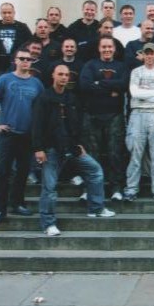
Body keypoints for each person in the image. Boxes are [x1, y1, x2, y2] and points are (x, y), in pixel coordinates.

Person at [33, 65, 116, 236]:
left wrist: (79, 144)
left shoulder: (71, 98)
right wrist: (38, 148)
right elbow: (36, 125)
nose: (64, 77)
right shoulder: (44, 97)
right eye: (60, 74)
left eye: (66, 75)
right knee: (49, 187)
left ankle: (96, 208)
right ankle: (48, 224)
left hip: (71, 147)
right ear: (53, 75)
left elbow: (76, 124)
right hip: (51, 149)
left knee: (95, 170)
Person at [0, 47, 45, 227]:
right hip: (8, 134)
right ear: (15, 60)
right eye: (22, 58)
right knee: (3, 172)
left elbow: (43, 108)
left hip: (27, 135)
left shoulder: (36, 84)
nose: (26, 61)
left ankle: (17, 203)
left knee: (23, 172)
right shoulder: (5, 79)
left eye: (29, 59)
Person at [79, 36, 128, 201]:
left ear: (114, 49)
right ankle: (89, 189)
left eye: (110, 47)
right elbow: (84, 85)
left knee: (115, 153)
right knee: (91, 155)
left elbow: (124, 85)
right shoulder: (90, 65)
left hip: (114, 116)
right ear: (99, 48)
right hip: (92, 115)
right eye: (104, 47)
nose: (107, 50)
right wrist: (111, 90)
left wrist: (98, 83)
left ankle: (116, 188)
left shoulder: (121, 66)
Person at [123, 42, 154, 202]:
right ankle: (131, 189)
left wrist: (145, 94)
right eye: (146, 53)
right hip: (138, 114)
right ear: (142, 55)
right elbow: (134, 93)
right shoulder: (136, 72)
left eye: (152, 53)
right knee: (135, 153)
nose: (149, 56)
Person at [0, 2, 32, 76]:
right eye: (4, 13)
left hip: (17, 66)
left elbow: (30, 45)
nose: (7, 15)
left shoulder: (22, 28)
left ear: (14, 13)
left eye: (9, 12)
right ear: (0, 13)